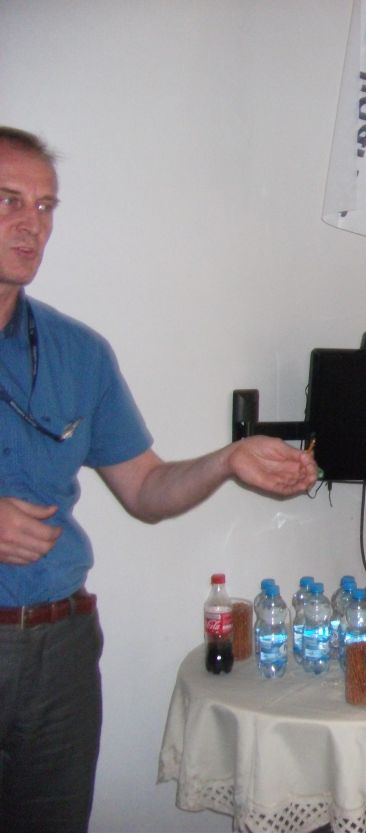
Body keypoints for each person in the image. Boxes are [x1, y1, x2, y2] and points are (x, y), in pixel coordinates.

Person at [0, 126, 318, 832]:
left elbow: (145, 490)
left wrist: (227, 460)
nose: (32, 225)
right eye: (8, 200)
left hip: (59, 649)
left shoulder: (78, 351)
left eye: (46, 206)